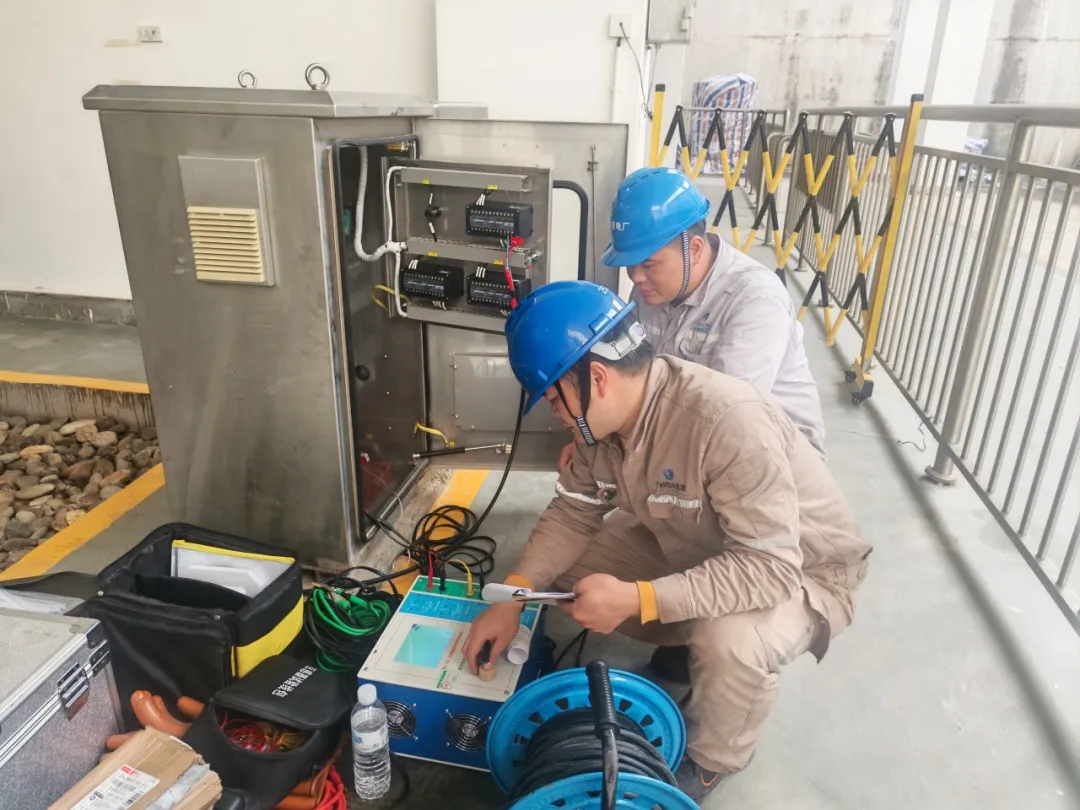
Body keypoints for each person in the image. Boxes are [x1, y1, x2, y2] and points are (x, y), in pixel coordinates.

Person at [464, 281, 870, 804]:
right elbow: (573, 512)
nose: (555, 412)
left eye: (554, 397)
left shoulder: (724, 419)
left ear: (597, 378)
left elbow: (770, 568)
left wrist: (640, 598)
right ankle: (688, 645)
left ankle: (715, 757)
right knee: (572, 568)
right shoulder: (602, 425)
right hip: (702, 543)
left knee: (728, 639)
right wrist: (515, 595)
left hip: (802, 571)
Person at [558, 166, 825, 474]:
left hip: (771, 457)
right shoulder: (648, 290)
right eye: (630, 264)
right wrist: (593, 440)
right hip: (691, 434)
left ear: (695, 249)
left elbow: (726, 416)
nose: (635, 277)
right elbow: (629, 381)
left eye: (648, 264)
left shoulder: (755, 300)